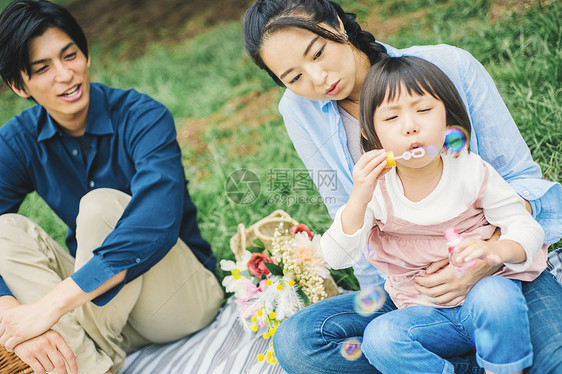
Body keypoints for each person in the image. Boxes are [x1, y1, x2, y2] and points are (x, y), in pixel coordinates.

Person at [242, 0, 562, 373]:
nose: (316, 79)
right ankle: (474, 357)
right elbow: (345, 214)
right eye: (293, 78)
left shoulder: (446, 66)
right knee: (298, 344)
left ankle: (462, 353)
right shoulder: (299, 110)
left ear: (338, 26)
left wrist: (485, 260)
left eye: (318, 52)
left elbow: (522, 180)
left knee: (553, 359)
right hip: (413, 289)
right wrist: (390, 293)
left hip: (498, 271)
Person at [0, 1, 224, 374]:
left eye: (69, 55)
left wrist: (49, 307)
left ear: (85, 54)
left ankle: (77, 350)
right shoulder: (17, 142)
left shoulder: (143, 116)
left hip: (175, 302)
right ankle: (89, 367)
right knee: (3, 230)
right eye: (43, 68)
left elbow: (156, 222)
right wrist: (11, 312)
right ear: (19, 86)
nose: (65, 74)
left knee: (101, 205)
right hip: (101, 320)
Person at [321, 55, 547, 374]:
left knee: (496, 295)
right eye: (391, 118)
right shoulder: (375, 193)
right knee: (380, 338)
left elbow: (526, 227)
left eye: (424, 110)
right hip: (428, 318)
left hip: (488, 302)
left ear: (447, 120)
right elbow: (336, 257)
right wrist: (358, 197)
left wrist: (496, 250)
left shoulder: (471, 171)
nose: (411, 125)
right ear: (372, 135)